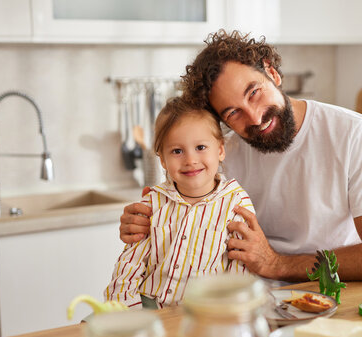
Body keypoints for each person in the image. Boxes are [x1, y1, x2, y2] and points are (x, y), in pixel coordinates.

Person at [120, 30, 362, 282]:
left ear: (272, 73)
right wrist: (147, 220)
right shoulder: (222, 155)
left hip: (334, 292)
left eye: (254, 92)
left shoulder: (352, 133)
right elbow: (184, 215)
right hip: (254, 301)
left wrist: (278, 264)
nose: (255, 117)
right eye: (233, 112)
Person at [105, 96, 255, 308]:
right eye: (177, 151)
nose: (190, 160)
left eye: (201, 147)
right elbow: (130, 264)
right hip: (149, 309)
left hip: (206, 314)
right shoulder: (153, 201)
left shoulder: (237, 204)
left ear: (220, 150)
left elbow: (240, 272)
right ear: (163, 160)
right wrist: (127, 311)